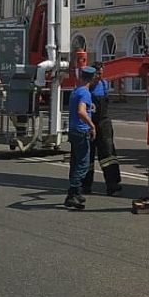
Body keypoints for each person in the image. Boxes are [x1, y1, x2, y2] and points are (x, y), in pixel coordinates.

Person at [82, 66, 121, 196]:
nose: (99, 76)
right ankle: (85, 185)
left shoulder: (104, 84)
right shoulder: (85, 89)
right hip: (90, 123)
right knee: (88, 156)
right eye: (97, 74)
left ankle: (113, 185)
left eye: (101, 73)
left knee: (109, 155)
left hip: (103, 123)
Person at [64, 65, 96, 210]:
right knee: (83, 163)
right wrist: (92, 125)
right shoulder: (85, 93)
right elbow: (81, 112)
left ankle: (75, 193)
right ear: (92, 78)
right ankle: (72, 193)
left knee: (75, 162)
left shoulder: (76, 90)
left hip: (72, 130)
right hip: (81, 131)